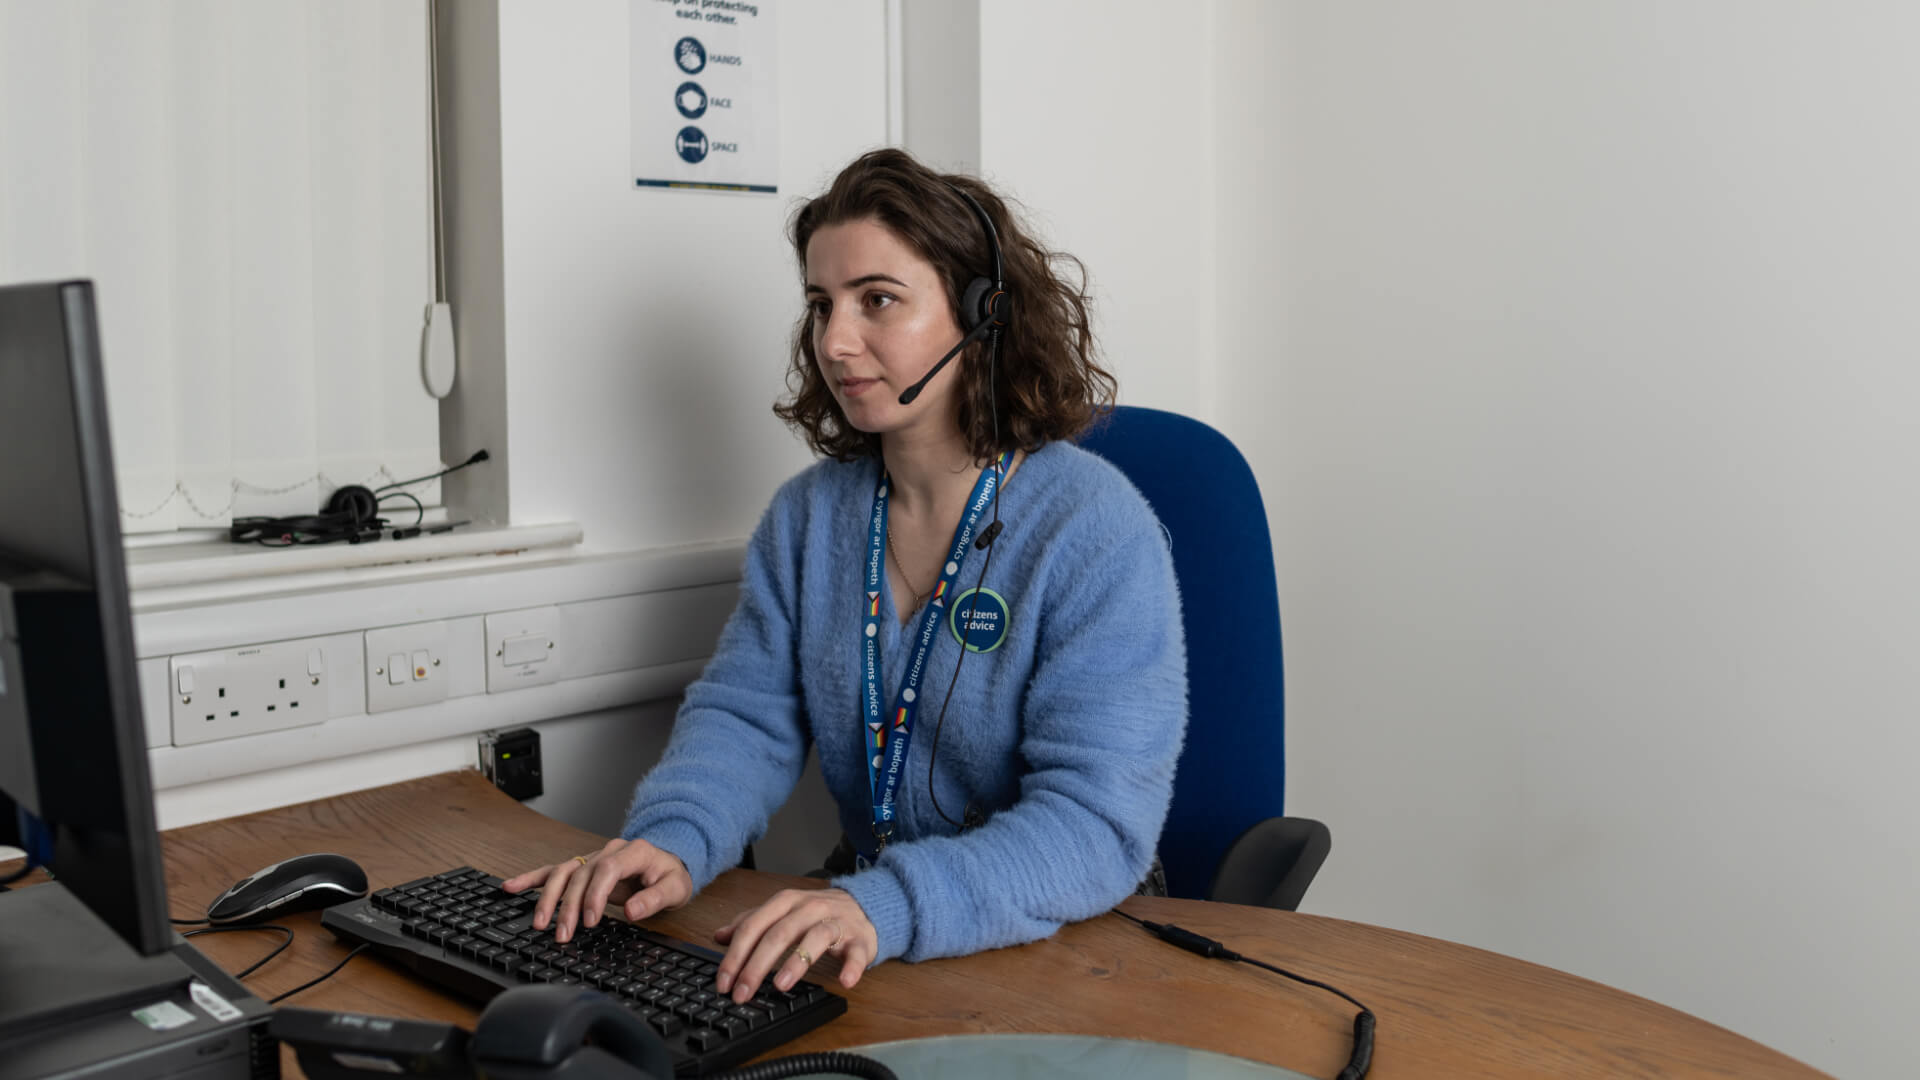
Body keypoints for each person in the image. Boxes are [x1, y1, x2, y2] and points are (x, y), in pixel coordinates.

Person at [504, 148, 1187, 1009]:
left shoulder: (1093, 527)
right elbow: (748, 719)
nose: (834, 340)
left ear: (984, 315)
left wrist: (884, 904)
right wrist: (675, 838)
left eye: (878, 301)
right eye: (821, 305)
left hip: (1068, 935)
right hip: (872, 918)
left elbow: (1095, 825)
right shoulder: (809, 518)